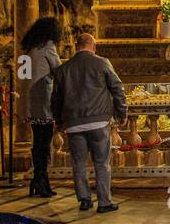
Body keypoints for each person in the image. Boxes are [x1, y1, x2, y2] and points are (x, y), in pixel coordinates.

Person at [50, 32, 126, 213]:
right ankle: (104, 202)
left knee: (78, 163)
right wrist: (121, 113)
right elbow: (117, 88)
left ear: (76, 46)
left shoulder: (63, 69)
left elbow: (55, 100)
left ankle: (84, 200)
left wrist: (60, 122)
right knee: (102, 163)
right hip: (99, 122)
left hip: (74, 124)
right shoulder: (102, 63)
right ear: (93, 46)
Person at [21, 16, 63, 198]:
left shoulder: (28, 49)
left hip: (31, 102)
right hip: (44, 101)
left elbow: (22, 77)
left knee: (37, 143)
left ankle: (39, 180)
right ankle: (40, 181)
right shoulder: (48, 47)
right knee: (44, 144)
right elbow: (59, 70)